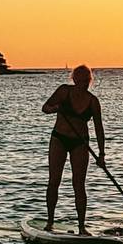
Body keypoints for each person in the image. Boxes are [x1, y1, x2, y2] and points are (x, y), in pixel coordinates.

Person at [42, 65, 105, 234]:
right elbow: (45, 107)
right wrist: (55, 108)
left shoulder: (93, 101)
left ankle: (82, 227)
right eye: (81, 80)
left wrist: (101, 154)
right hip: (59, 139)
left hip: (80, 143)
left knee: (79, 184)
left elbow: (99, 129)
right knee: (54, 181)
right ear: (74, 79)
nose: (84, 83)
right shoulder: (64, 91)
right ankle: (49, 222)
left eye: (87, 80)